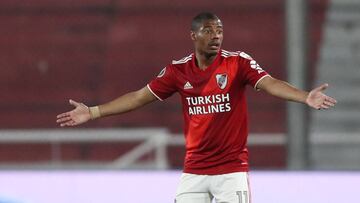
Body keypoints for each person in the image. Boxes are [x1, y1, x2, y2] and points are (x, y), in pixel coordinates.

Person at [56, 12, 336, 203]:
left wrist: (304, 97)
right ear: (193, 36)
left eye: (220, 30)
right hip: (194, 172)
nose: (216, 36)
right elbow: (139, 97)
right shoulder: (178, 71)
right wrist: (93, 111)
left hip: (231, 172)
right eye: (209, 30)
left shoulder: (237, 63)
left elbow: (270, 83)